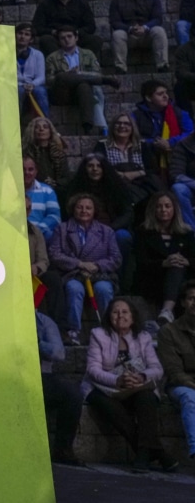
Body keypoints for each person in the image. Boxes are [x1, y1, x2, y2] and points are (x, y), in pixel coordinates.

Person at [84, 297, 178, 470]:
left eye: (125, 312)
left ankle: (143, 455)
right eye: (115, 312)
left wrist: (142, 377)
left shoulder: (143, 337)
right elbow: (93, 370)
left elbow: (156, 368)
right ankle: (156, 452)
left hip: (135, 385)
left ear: (133, 317)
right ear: (109, 316)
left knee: (147, 398)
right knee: (110, 407)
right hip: (103, 388)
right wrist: (117, 380)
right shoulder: (98, 334)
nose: (120, 316)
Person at [51, 194, 121, 345]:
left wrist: (96, 266)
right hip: (73, 274)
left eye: (88, 208)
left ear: (94, 210)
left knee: (104, 290)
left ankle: (109, 329)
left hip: (100, 275)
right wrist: (79, 264)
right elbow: (55, 254)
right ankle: (73, 331)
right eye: (80, 207)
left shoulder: (106, 231)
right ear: (73, 209)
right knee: (74, 289)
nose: (84, 210)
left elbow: (116, 258)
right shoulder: (62, 229)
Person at [132, 193, 194, 325]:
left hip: (181, 280)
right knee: (175, 265)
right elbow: (141, 262)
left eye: (167, 206)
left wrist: (187, 261)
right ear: (153, 210)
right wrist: (164, 263)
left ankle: (167, 311)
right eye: (159, 206)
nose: (163, 210)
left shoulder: (186, 233)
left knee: (177, 265)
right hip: (153, 279)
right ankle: (166, 312)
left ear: (174, 209)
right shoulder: (143, 232)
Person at [34, 304, 83, 467]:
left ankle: (63, 449)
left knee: (72, 393)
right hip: (5, 374)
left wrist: (38, 343)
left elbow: (59, 353)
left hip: (40, 377)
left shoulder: (43, 322)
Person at [46, 25, 116, 136]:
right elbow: (49, 80)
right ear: (59, 41)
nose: (66, 40)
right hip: (63, 94)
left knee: (83, 85)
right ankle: (103, 80)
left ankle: (87, 126)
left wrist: (78, 75)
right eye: (63, 38)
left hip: (83, 93)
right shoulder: (52, 57)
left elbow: (96, 72)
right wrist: (68, 75)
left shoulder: (88, 54)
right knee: (62, 77)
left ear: (76, 38)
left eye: (69, 36)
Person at [155, 282, 195, 461]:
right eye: (191, 298)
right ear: (183, 302)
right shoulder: (169, 331)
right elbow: (174, 371)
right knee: (190, 398)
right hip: (181, 385)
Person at [112, 0, 171, 74]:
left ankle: (162, 65)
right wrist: (130, 29)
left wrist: (145, 27)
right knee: (117, 34)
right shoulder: (117, 0)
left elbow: (157, 18)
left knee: (159, 30)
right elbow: (114, 22)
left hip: (147, 35)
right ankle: (120, 67)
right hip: (128, 35)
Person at [32, 0, 101, 56]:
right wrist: (53, 32)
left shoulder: (81, 4)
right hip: (55, 37)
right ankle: (61, 65)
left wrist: (75, 33)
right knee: (45, 40)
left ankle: (82, 64)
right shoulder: (45, 4)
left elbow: (90, 26)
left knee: (95, 40)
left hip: (77, 36)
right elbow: (37, 27)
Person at [21, 116, 67, 189]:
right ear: (32, 131)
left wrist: (55, 183)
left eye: (45, 127)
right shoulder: (26, 152)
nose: (41, 129)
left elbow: (66, 177)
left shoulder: (59, 153)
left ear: (50, 131)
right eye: (37, 127)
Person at [15, 24, 48, 121]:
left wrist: (32, 85)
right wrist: (20, 84)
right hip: (15, 85)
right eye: (20, 33)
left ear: (31, 39)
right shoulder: (6, 52)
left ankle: (44, 123)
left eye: (26, 34)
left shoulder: (38, 54)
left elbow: (41, 77)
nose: (22, 37)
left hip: (33, 85)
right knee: (19, 91)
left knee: (41, 91)